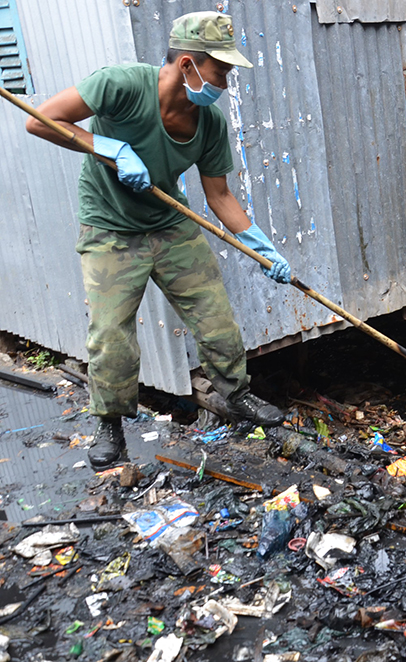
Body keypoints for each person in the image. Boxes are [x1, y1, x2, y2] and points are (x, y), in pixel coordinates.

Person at [25, 12, 290, 470]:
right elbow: (41, 121)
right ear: (188, 64)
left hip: (170, 227)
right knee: (112, 336)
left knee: (215, 318)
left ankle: (238, 397)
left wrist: (260, 246)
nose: (225, 82)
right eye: (220, 70)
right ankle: (110, 426)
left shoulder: (207, 123)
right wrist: (108, 147)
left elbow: (219, 194)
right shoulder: (121, 85)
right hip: (109, 228)